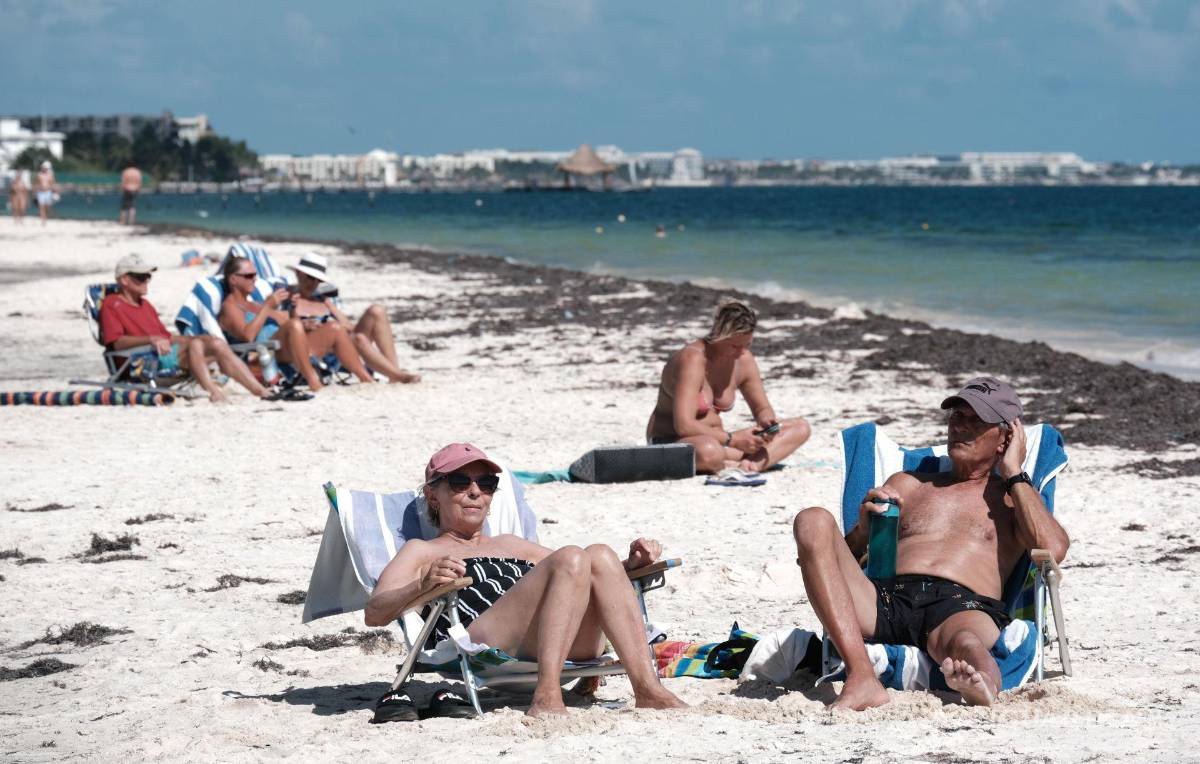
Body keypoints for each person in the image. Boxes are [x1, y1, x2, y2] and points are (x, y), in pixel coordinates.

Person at [791, 377, 1070, 710]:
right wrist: (862, 531)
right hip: (884, 598)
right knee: (812, 520)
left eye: (976, 421)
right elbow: (835, 563)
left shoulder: (1013, 500)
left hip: (961, 606)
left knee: (966, 643)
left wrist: (1014, 472)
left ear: (1005, 438)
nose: (960, 427)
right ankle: (862, 676)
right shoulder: (908, 484)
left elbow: (1052, 550)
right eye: (957, 417)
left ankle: (983, 684)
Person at [366, 443, 688, 718]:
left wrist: (631, 564)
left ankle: (648, 689)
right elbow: (374, 612)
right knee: (571, 556)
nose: (475, 491)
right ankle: (547, 694)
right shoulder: (421, 551)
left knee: (600, 555)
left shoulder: (511, 543)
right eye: (460, 482)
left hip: (558, 637)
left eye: (486, 483)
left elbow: (581, 571)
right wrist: (422, 586)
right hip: (481, 642)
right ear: (432, 495)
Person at [646, 299, 811, 474]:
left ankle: (749, 466)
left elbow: (761, 408)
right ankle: (740, 461)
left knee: (800, 427)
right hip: (673, 441)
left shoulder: (743, 360)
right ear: (719, 335)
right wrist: (734, 440)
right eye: (735, 345)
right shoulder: (692, 360)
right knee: (710, 452)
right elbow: (684, 426)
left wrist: (767, 423)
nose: (742, 352)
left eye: (747, 344)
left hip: (721, 442)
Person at [101, 254, 283, 404]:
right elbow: (116, 343)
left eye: (148, 276)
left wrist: (197, 338)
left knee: (215, 343)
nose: (146, 281)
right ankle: (213, 391)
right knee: (197, 344)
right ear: (124, 279)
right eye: (141, 277)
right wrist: (151, 340)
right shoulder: (112, 304)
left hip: (164, 351)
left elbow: (166, 337)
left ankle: (260, 391)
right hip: (142, 361)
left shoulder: (145, 305)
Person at [218, 255, 373, 392]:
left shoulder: (255, 304)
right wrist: (268, 306)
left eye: (255, 275)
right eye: (249, 275)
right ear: (233, 279)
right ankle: (313, 381)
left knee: (335, 328)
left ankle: (366, 378)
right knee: (294, 325)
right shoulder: (230, 307)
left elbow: (286, 321)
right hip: (268, 353)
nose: (255, 279)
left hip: (288, 346)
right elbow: (248, 336)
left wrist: (301, 321)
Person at [287, 253, 420, 383]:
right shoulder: (287, 297)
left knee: (377, 311)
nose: (314, 283)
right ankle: (399, 376)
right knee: (358, 338)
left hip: (342, 341)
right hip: (317, 348)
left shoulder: (323, 299)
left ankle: (394, 374)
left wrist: (329, 306)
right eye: (311, 277)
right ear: (298, 273)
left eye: (319, 280)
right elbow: (283, 332)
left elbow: (349, 327)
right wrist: (304, 324)